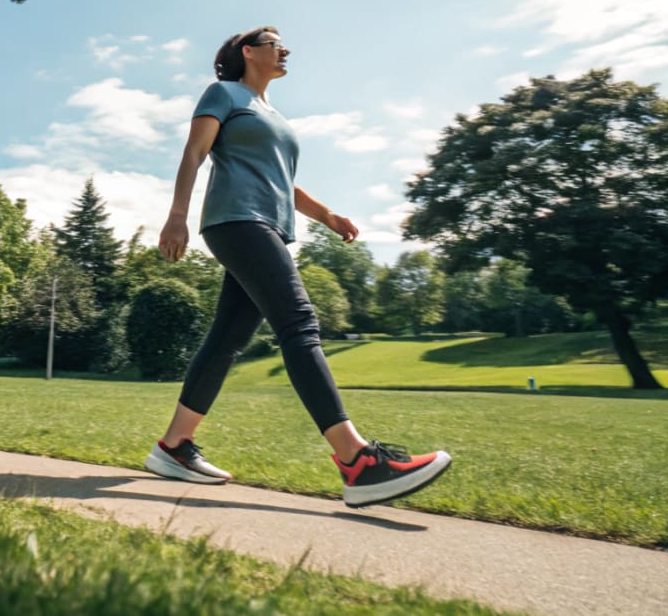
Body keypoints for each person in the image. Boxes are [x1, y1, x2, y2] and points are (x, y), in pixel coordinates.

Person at [143, 26, 451, 508]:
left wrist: (326, 215)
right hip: (238, 221)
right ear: (248, 52)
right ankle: (358, 462)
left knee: (227, 340)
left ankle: (174, 447)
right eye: (273, 42)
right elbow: (195, 152)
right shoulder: (223, 93)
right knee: (299, 323)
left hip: (264, 223)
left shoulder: (275, 117)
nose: (284, 49)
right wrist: (177, 216)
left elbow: (284, 181)